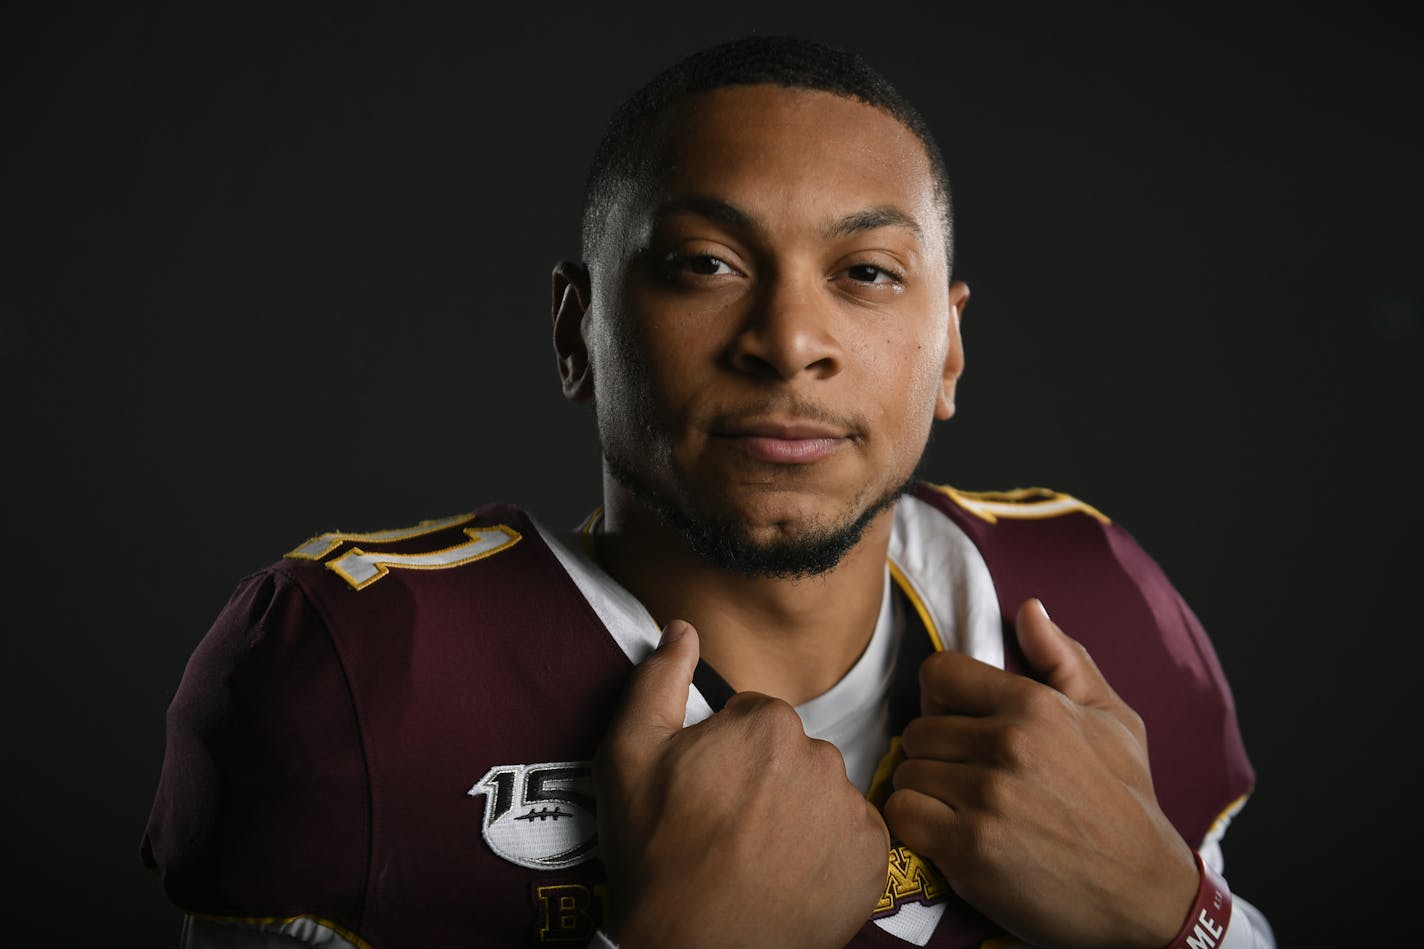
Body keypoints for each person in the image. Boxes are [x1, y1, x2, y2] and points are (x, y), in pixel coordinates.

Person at [141, 33, 1275, 949]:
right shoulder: (349, 668)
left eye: (865, 274)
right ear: (575, 330)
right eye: (705, 265)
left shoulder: (1095, 606)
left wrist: (1174, 919)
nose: (788, 342)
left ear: (948, 352)